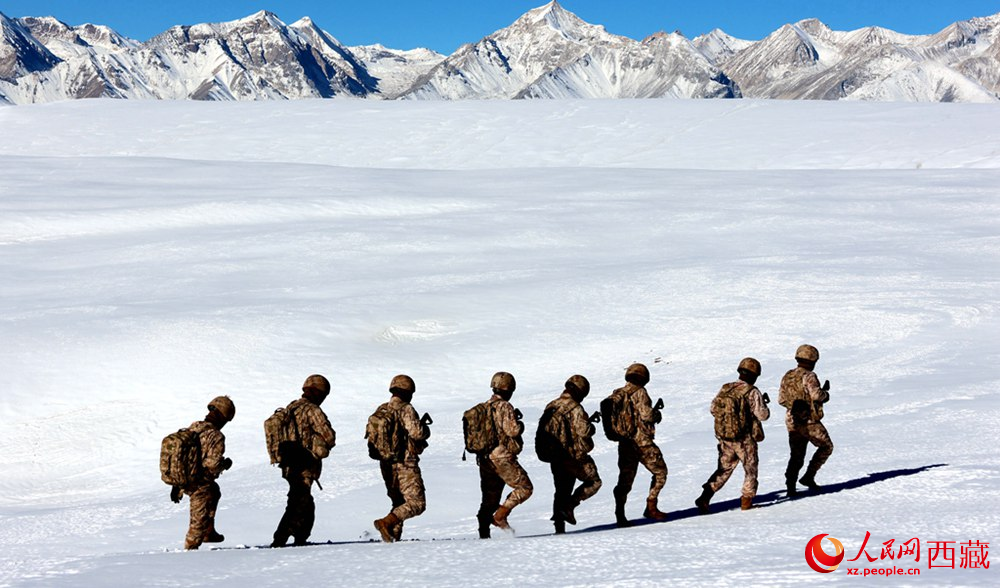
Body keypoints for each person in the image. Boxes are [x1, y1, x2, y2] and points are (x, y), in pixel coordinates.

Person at [695, 358, 770, 513]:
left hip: (725, 437)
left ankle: (705, 496)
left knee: (724, 468)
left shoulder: (726, 388)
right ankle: (746, 501)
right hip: (744, 438)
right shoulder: (752, 391)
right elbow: (763, 415)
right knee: (750, 469)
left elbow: (713, 409)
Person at [271, 374, 337, 547]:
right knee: (298, 502)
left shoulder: (291, 407)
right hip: (304, 463)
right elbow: (329, 436)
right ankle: (280, 539)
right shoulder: (312, 410)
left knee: (304, 501)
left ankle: (300, 538)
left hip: (288, 464)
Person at [473, 372, 533, 538]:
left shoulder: (483, 407)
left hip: (485, 459)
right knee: (525, 487)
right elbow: (512, 431)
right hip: (502, 457)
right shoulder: (504, 406)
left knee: (489, 498)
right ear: (509, 389)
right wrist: (519, 424)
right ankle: (501, 516)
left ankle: (483, 534)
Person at [372, 374, 431, 542]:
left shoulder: (382, 409)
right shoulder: (406, 409)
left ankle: (392, 537)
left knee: (398, 502)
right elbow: (417, 433)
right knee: (417, 504)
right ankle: (386, 522)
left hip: (386, 463)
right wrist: (426, 431)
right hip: (405, 462)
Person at [540, 375, 602, 534]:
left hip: (555, 456)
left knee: (561, 490)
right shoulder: (575, 408)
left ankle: (559, 527)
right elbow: (584, 431)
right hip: (572, 457)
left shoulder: (551, 405)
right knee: (594, 482)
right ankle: (570, 506)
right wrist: (591, 426)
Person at [172, 396, 235, 550]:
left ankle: (209, 532)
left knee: (214, 491)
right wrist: (225, 464)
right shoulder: (215, 435)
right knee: (196, 525)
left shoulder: (193, 428)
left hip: (184, 479)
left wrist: (176, 484)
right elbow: (213, 465)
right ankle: (190, 553)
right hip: (199, 483)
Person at [609, 363, 669, 526]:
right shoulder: (640, 392)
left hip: (625, 443)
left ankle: (620, 514)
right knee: (661, 472)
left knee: (625, 480)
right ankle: (651, 506)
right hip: (642, 442)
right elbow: (647, 415)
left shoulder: (618, 393)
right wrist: (656, 414)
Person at [778, 344, 833, 495]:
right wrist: (825, 395)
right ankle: (809, 476)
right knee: (826, 446)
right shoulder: (809, 376)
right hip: (809, 421)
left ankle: (790, 485)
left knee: (796, 454)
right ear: (813, 360)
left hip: (791, 420)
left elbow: (781, 400)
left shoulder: (788, 375)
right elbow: (816, 395)